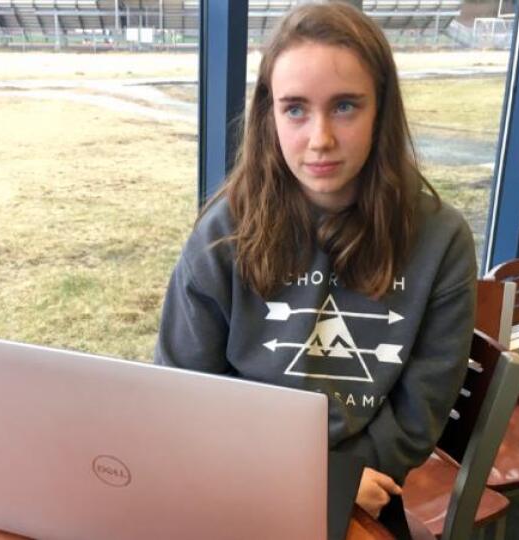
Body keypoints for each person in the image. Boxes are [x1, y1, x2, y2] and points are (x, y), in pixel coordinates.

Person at [154, 1, 476, 536]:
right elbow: (180, 393)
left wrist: (340, 479)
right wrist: (306, 473)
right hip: (236, 475)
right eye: (295, 109)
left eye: (346, 106)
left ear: (382, 110)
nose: (320, 138)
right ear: (270, 115)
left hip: (361, 489)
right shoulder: (222, 232)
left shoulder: (441, 240)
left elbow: (418, 415)